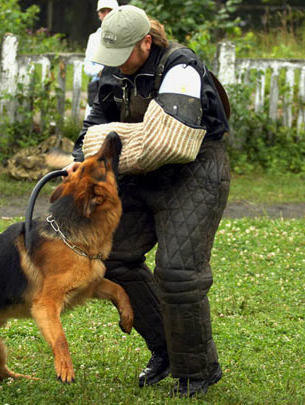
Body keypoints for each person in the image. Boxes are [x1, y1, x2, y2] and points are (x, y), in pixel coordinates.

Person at [68, 5, 231, 397]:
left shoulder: (181, 68)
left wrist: (112, 139)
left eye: (122, 55)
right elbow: (93, 130)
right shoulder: (113, 70)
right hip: (141, 173)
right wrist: (79, 163)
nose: (115, 65)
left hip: (194, 171)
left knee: (177, 272)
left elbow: (169, 144)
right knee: (114, 258)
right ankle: (166, 351)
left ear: (145, 42)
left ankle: (197, 370)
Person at [83, 0, 119, 118]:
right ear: (98, 14)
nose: (106, 14)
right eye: (103, 11)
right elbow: (87, 66)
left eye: (110, 11)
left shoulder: (125, 35)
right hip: (98, 87)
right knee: (91, 124)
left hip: (118, 86)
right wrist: (101, 71)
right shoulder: (93, 38)